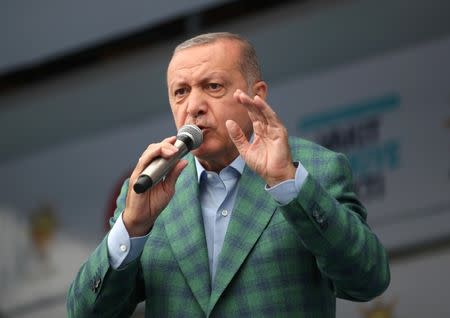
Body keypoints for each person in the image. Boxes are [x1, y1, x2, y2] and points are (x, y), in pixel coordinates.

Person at [67, 32, 390, 317]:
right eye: (180, 92)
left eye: (213, 86)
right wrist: (131, 228)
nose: (194, 106)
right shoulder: (148, 191)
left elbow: (368, 280)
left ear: (257, 95)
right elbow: (85, 313)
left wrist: (288, 184)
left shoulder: (313, 169)